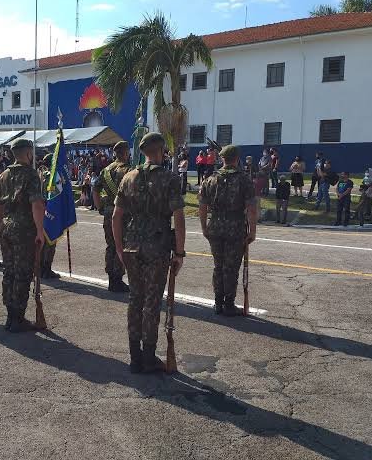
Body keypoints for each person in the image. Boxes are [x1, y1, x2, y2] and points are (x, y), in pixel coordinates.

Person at [112, 133, 185, 374]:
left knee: (136, 300)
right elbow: (178, 217)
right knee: (151, 303)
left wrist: (120, 248)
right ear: (161, 150)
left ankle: (135, 357)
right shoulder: (169, 178)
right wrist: (180, 252)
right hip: (157, 246)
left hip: (132, 246)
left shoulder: (128, 177)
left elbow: (117, 217)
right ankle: (148, 356)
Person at [0, 138, 45, 333]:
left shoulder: (3, 175)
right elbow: (37, 204)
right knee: (23, 272)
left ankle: (10, 315)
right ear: (28, 153)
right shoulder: (31, 175)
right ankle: (18, 317)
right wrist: (40, 231)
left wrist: (0, 226)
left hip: (7, 227)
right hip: (24, 230)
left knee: (9, 271)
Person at [199, 145, 257, 317]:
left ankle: (218, 303)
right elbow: (251, 208)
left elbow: (202, 207)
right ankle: (229, 304)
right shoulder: (244, 179)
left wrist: (204, 227)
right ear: (237, 159)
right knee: (231, 267)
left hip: (215, 226)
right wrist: (252, 230)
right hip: (235, 228)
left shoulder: (210, 179)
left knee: (218, 266)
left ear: (222, 159)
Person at [93, 141, 133, 292]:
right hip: (123, 214)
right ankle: (117, 279)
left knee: (111, 245)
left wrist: (100, 207)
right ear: (125, 153)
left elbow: (95, 189)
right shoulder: (128, 170)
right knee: (121, 245)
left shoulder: (106, 171)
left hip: (109, 212)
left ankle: (112, 278)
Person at [38, 153, 60, 279]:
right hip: (51, 211)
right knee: (50, 241)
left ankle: (40, 267)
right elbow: (56, 196)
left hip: (41, 211)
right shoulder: (53, 176)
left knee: (43, 240)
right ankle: (46, 268)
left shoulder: (40, 175)